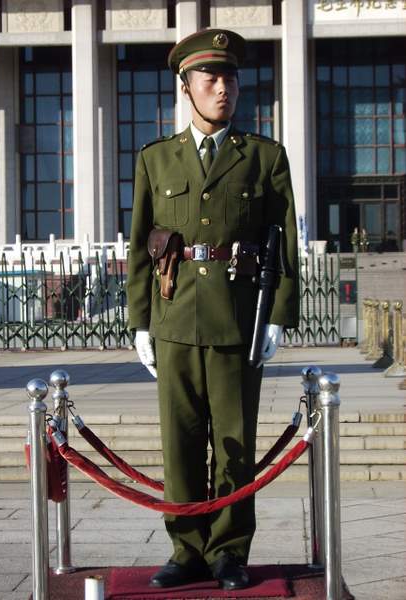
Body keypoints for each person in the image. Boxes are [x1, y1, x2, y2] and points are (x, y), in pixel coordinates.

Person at [126, 28, 299, 590]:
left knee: (234, 443)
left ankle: (229, 550)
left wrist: (276, 313)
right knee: (179, 442)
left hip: (235, 319)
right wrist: (140, 321)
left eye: (230, 78)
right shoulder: (156, 159)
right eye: (210, 78)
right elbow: (138, 247)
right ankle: (186, 549)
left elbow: (285, 240)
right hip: (175, 318)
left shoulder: (264, 157)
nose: (223, 88)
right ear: (186, 87)